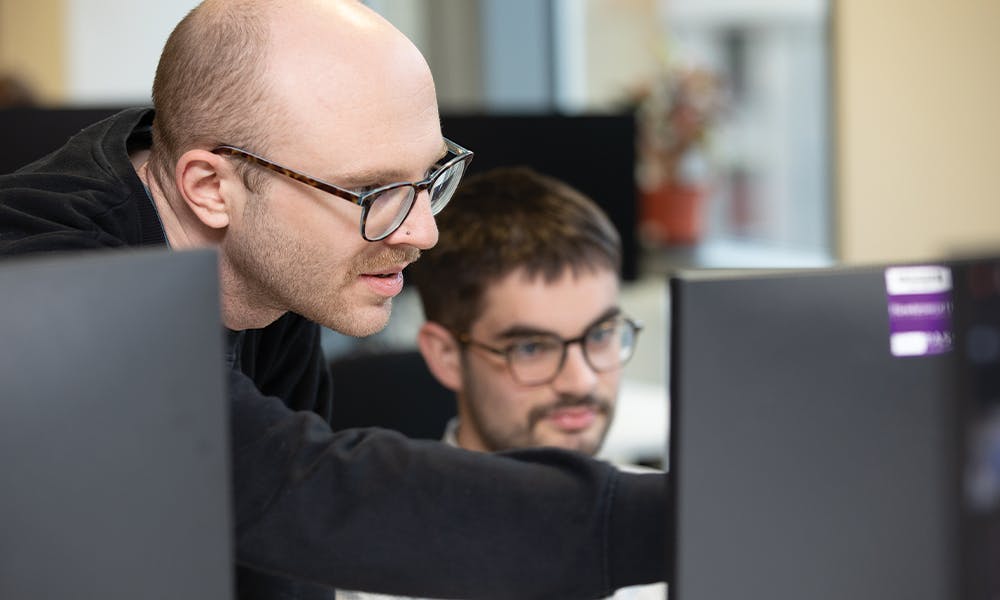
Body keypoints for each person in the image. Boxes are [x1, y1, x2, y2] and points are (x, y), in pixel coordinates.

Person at [0, 1, 668, 598]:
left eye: (431, 178)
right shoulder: (46, 289)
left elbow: (277, 563)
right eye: (375, 194)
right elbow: (297, 492)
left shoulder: (264, 257)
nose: (424, 232)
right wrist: (683, 516)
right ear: (210, 187)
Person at [339, 167, 667, 600]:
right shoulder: (383, 570)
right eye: (532, 348)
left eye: (601, 335)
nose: (581, 380)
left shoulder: (675, 528)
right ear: (446, 356)